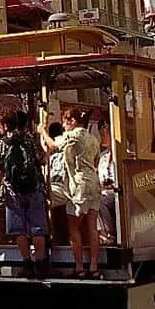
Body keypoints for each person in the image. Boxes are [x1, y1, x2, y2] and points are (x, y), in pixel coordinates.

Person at [39, 107, 101, 279]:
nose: (64, 126)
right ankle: (94, 267)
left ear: (72, 121)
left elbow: (53, 145)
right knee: (92, 227)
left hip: (78, 186)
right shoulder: (93, 138)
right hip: (94, 183)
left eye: (65, 122)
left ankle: (79, 267)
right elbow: (95, 160)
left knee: (73, 228)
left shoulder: (73, 135)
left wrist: (42, 130)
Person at [0, 111, 48, 278]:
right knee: (38, 228)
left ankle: (27, 264)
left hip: (12, 192)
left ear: (5, 125)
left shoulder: (0, 144)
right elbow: (41, 159)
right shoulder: (30, 139)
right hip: (34, 188)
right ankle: (40, 264)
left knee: (19, 230)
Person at [97, 121, 117, 245]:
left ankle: (110, 234)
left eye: (104, 135)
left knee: (101, 201)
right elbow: (100, 178)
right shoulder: (103, 156)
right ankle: (101, 234)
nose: (102, 138)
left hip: (118, 191)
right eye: (101, 135)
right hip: (105, 191)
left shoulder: (122, 154)